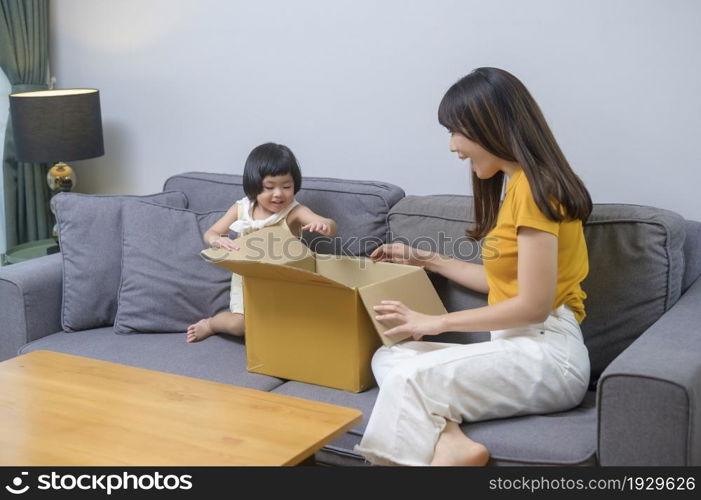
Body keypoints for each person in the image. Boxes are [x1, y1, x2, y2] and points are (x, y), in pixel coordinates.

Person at [355, 68, 592, 466]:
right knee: (391, 356)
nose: (453, 146)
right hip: (519, 345)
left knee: (410, 378)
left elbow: (534, 306)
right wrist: (424, 258)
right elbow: (503, 284)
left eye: (457, 132)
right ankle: (451, 443)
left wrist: (435, 323)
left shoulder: (537, 190)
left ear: (490, 126)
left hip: (549, 354)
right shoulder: (516, 188)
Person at [186, 142, 337, 343]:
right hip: (246, 279)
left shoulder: (293, 212)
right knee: (240, 325)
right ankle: (211, 324)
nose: (278, 194)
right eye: (269, 187)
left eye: (286, 186)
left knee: (292, 325)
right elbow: (211, 232)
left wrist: (323, 225)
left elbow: (329, 224)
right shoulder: (241, 209)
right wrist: (217, 240)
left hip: (282, 282)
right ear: (254, 186)